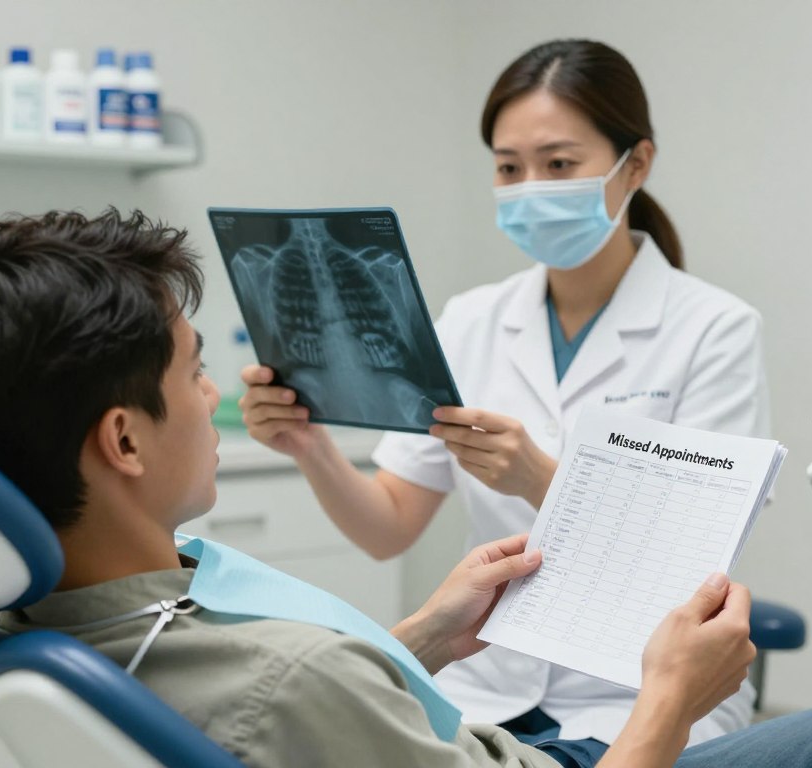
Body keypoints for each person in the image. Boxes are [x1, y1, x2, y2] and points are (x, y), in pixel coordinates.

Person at [0, 208, 812, 768]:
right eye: (194, 369)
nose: (215, 396)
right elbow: (307, 690)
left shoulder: (31, 629)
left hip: (486, 719)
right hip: (565, 736)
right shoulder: (283, 675)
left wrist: (425, 632)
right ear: (123, 439)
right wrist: (669, 695)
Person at [239, 38, 769, 746]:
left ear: (635, 163)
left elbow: (683, 556)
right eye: (508, 168)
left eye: (559, 165)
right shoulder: (470, 320)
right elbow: (386, 528)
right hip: (482, 684)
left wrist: (542, 478)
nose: (531, 189)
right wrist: (311, 448)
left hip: (634, 690)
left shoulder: (714, 328)